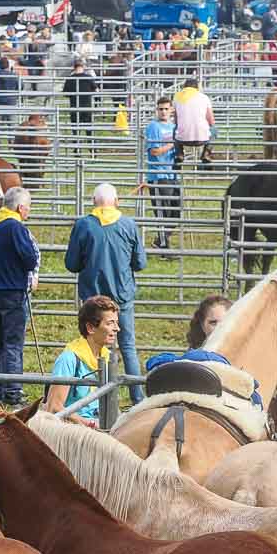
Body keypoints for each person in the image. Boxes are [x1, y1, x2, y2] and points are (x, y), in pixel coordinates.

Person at [64, 183, 146, 404]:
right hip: (121, 296)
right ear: (117, 201)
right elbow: (140, 262)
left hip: (92, 299)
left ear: (93, 202)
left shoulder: (83, 225)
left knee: (91, 345)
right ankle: (138, 399)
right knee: (127, 345)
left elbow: (71, 263)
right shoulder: (129, 225)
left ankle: (90, 398)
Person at [0, 186, 40, 407]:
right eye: (28, 208)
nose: (28, 213)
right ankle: (13, 392)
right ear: (20, 207)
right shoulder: (15, 227)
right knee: (13, 343)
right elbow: (29, 258)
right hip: (12, 291)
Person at [44, 295, 118, 428]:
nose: (117, 329)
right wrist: (88, 424)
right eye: (110, 323)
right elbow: (54, 407)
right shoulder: (68, 359)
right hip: (75, 431)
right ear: (90, 328)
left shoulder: (107, 358)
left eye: (116, 323)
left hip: (101, 424)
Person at [144, 97, 181, 249]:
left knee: (177, 211)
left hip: (172, 174)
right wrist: (172, 145)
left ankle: (160, 240)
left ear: (171, 110)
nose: (163, 112)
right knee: (163, 212)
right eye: (161, 109)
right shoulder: (153, 127)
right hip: (159, 175)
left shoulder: (174, 127)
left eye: (166, 109)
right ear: (157, 110)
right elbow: (154, 150)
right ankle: (164, 246)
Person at [172, 76, 215, 167]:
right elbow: (211, 121)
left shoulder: (177, 97)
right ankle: (206, 153)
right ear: (197, 87)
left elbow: (175, 121)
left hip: (182, 138)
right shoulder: (204, 97)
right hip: (202, 138)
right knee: (214, 130)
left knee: (174, 129)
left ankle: (179, 154)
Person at [62, 58, 97, 140]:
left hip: (75, 107)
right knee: (89, 128)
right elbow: (96, 90)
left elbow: (65, 93)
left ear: (74, 68)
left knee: (75, 128)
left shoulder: (69, 79)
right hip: (87, 107)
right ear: (83, 67)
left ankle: (76, 146)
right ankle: (92, 146)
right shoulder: (89, 77)